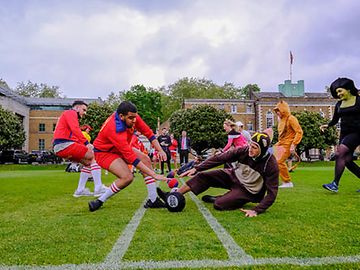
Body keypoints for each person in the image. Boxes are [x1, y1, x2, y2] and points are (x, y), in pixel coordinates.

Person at [160, 131, 279, 217]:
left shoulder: (270, 165)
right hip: (233, 176)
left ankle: (220, 198)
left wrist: (256, 210)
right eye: (250, 145)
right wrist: (197, 168)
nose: (250, 149)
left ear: (262, 150)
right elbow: (220, 158)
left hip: (248, 191)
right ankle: (173, 195)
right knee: (203, 176)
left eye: (255, 147)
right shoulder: (244, 150)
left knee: (219, 204)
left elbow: (272, 194)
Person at [88, 101, 168, 212]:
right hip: (104, 153)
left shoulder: (132, 116)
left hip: (119, 148)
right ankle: (100, 200)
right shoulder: (114, 129)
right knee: (127, 177)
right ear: (121, 116)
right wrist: (154, 174)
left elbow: (148, 133)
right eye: (131, 118)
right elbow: (132, 158)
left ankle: (153, 200)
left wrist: (160, 150)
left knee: (145, 159)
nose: (134, 120)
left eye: (135, 117)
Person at [53, 101, 107, 197]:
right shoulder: (71, 113)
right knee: (94, 156)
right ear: (77, 108)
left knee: (87, 163)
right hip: (64, 144)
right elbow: (75, 129)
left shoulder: (67, 115)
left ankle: (80, 190)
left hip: (60, 147)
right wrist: (86, 143)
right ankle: (98, 187)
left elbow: (73, 134)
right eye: (84, 110)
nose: (85, 113)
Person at [321, 77, 360, 192]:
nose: (338, 94)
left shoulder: (358, 100)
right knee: (347, 160)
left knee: (339, 153)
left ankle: (335, 184)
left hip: (357, 132)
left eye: (340, 91)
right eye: (336, 92)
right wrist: (327, 125)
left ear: (348, 89)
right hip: (344, 133)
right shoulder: (339, 104)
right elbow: (335, 120)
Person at [273, 100, 303, 188]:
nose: (277, 113)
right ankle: (272, 180)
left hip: (288, 144)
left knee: (279, 161)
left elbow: (299, 132)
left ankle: (287, 182)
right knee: (270, 159)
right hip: (281, 143)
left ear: (283, 110)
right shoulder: (281, 120)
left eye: (278, 110)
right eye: (276, 111)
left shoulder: (291, 118)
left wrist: (294, 144)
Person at [73, 124, 107, 197]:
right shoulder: (85, 135)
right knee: (94, 159)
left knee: (87, 165)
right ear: (85, 128)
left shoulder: (82, 134)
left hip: (74, 149)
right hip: (80, 149)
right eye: (88, 129)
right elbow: (85, 143)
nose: (89, 131)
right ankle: (98, 188)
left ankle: (80, 190)